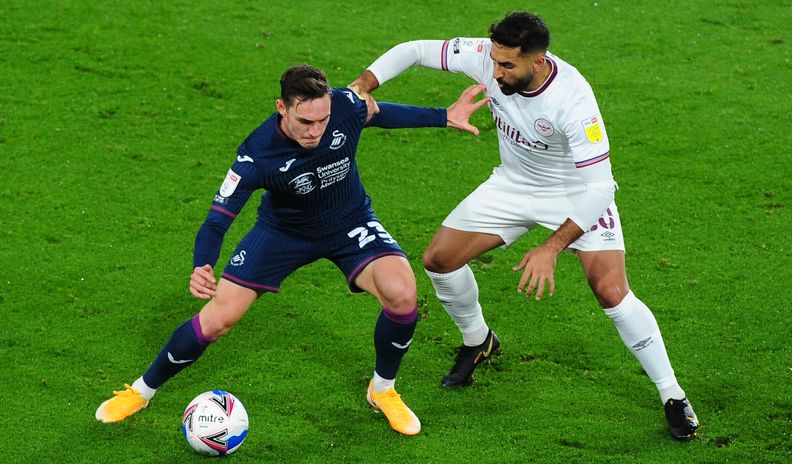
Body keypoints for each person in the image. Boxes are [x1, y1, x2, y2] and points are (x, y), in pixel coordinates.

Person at [349, 12, 699, 440]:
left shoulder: (573, 101)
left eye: (507, 66)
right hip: (512, 186)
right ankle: (478, 341)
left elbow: (600, 187)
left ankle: (672, 395)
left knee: (610, 290)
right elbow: (415, 50)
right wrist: (363, 86)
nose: (495, 73)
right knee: (439, 260)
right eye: (494, 61)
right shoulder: (489, 57)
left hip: (575, 193)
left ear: (538, 61)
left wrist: (551, 248)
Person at [95, 64, 488, 436]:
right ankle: (140, 391)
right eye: (305, 122)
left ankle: (382, 390)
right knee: (216, 320)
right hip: (283, 233)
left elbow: (380, 114)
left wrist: (443, 115)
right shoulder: (256, 155)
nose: (315, 131)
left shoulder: (344, 106)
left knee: (402, 295)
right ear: (281, 108)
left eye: (322, 120)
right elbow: (217, 220)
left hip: (349, 221)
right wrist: (203, 265)